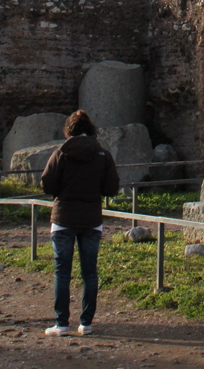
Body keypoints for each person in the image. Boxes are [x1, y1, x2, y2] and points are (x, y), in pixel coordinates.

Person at [40, 110, 119, 337]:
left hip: (63, 218)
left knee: (62, 273)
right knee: (90, 273)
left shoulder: (61, 153)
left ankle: (61, 324)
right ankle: (86, 323)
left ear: (70, 131)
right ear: (91, 130)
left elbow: (47, 184)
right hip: (92, 219)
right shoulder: (103, 154)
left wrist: (62, 192)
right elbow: (111, 188)